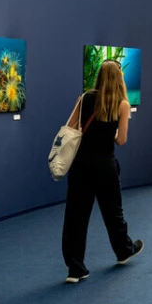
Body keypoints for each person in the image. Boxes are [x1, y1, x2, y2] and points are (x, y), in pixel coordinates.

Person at [61, 60, 143, 283]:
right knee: (113, 212)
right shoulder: (122, 104)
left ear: (99, 76)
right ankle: (123, 250)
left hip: (80, 165)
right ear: (119, 78)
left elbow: (71, 128)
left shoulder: (84, 98)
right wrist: (109, 133)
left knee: (76, 217)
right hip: (105, 165)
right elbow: (121, 140)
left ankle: (75, 268)